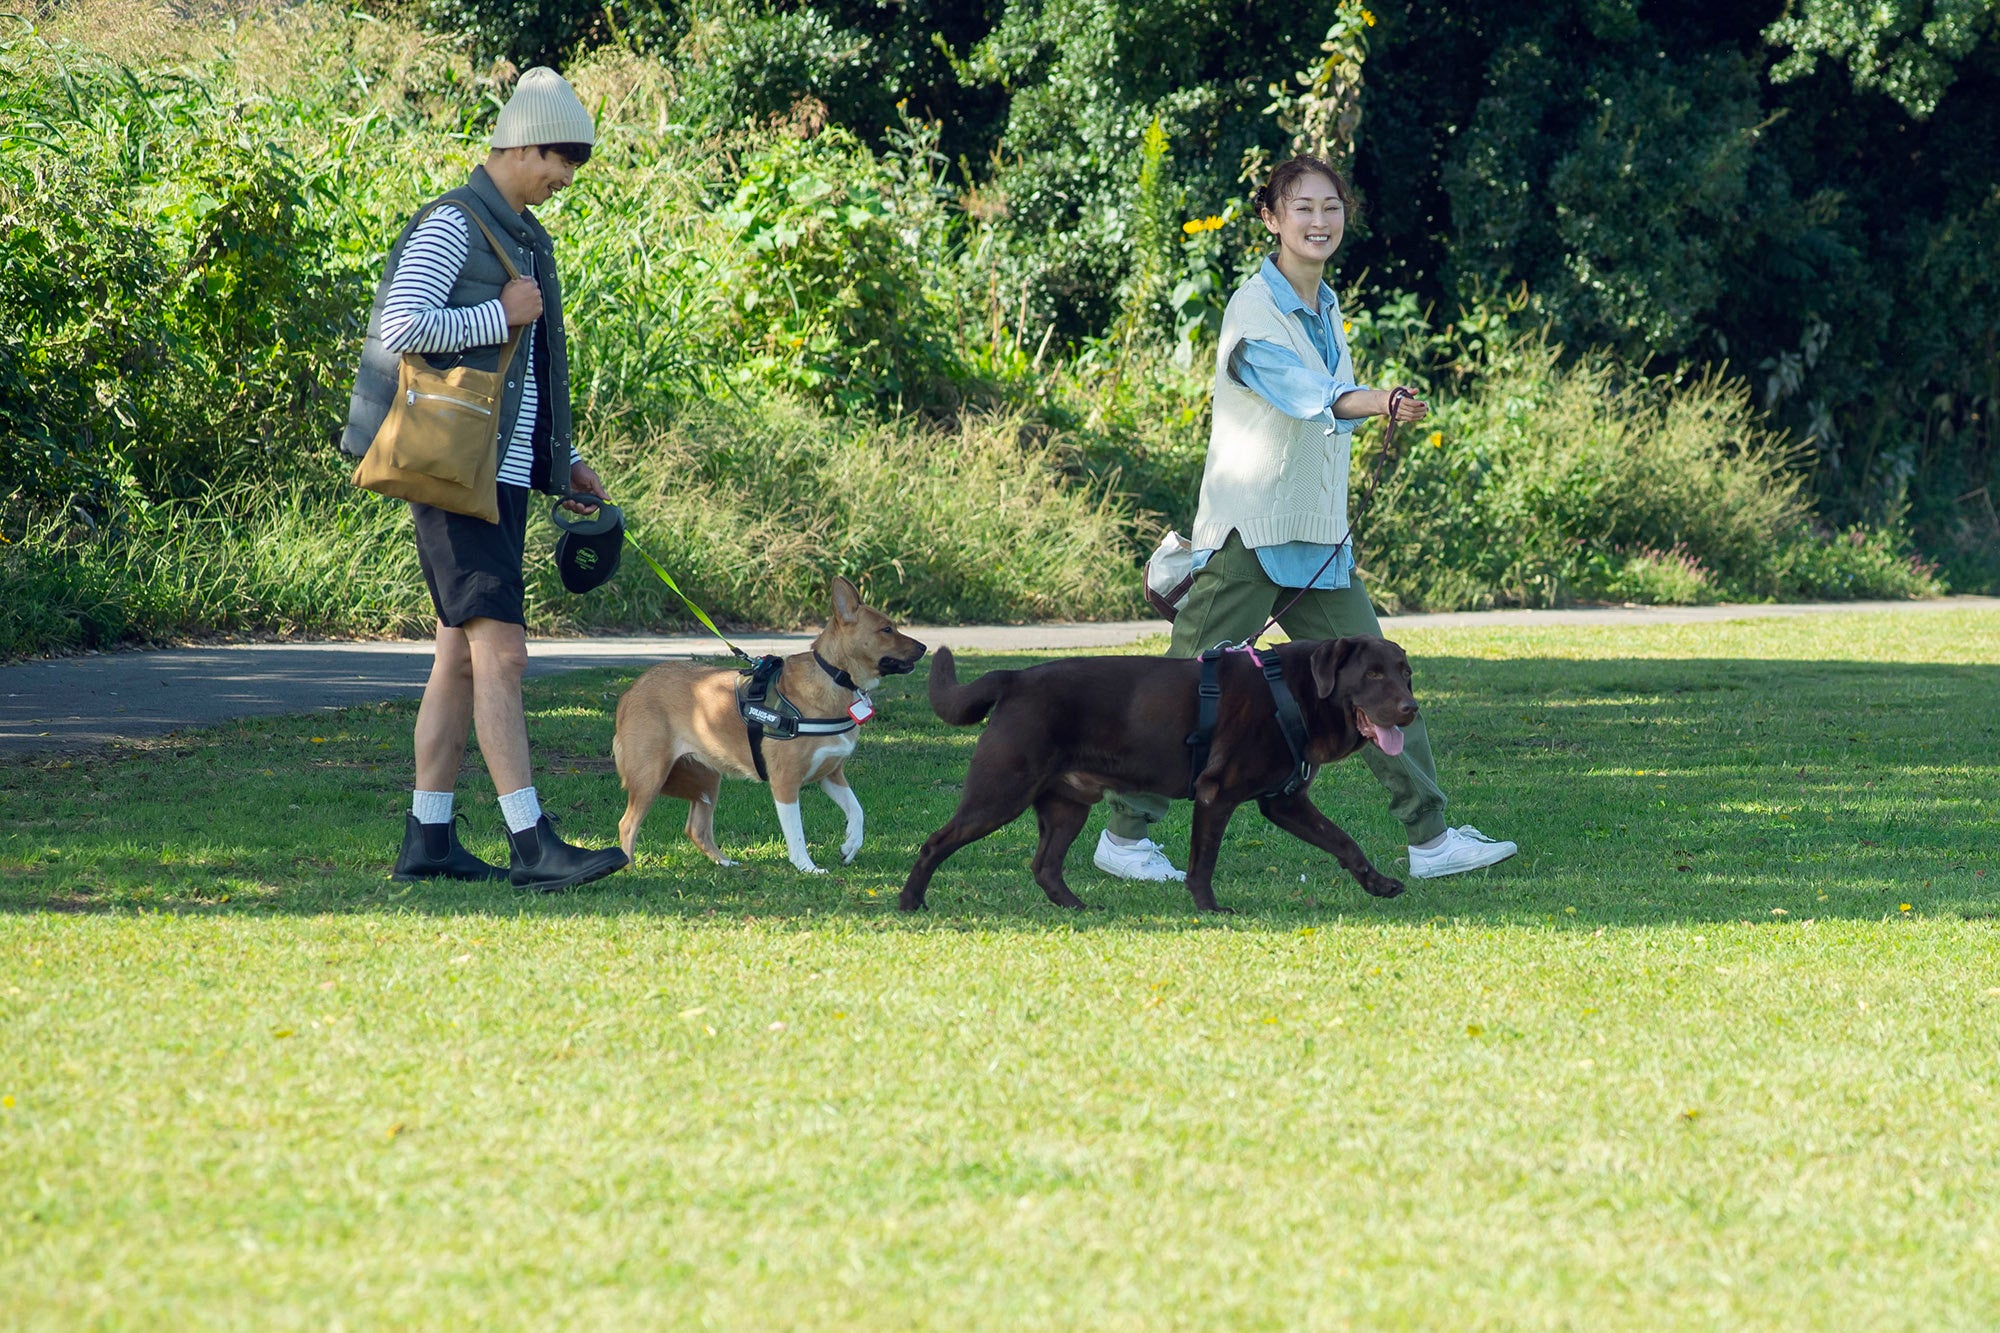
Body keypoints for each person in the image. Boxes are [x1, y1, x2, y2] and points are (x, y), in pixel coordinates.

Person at [1093, 155, 1518, 884]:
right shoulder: (1252, 311)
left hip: (1320, 545)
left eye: (1331, 208)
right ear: (1271, 218)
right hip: (1250, 539)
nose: (1319, 222)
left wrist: (1371, 404)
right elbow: (1303, 393)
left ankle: (1431, 840)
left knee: (1384, 680)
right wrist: (1377, 400)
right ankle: (1124, 839)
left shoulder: (1324, 305)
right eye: (1302, 208)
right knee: (1182, 690)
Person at [341, 67, 628, 892]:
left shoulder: (521, 235)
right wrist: (498, 312)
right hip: (452, 474)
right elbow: (402, 326)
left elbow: (521, 376)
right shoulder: (453, 225)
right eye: (558, 165)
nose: (562, 182)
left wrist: (558, 459)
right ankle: (531, 842)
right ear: (524, 145)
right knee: (502, 655)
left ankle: (428, 836)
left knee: (460, 660)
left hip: (493, 474)